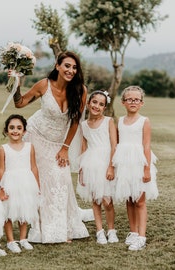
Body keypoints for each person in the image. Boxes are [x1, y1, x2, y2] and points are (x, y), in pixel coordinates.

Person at [10, 51, 90, 243]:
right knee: (40, 182)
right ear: (57, 66)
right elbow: (19, 104)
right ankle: (40, 226)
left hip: (57, 143)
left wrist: (65, 148)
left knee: (60, 181)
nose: (71, 70)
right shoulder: (44, 85)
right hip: (35, 135)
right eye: (67, 66)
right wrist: (16, 84)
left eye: (74, 67)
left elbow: (75, 122)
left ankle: (63, 227)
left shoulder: (81, 90)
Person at [113, 86, 159, 251]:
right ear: (123, 102)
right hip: (125, 164)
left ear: (141, 103)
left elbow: (146, 146)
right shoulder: (120, 121)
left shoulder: (144, 121)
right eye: (129, 99)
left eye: (136, 99)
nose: (133, 102)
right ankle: (132, 232)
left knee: (139, 200)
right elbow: (118, 143)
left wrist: (146, 169)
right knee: (129, 199)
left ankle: (141, 236)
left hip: (139, 164)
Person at [76, 90, 119, 244]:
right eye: (94, 102)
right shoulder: (83, 125)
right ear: (88, 104)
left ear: (104, 108)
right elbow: (83, 148)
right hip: (90, 164)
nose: (97, 106)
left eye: (101, 104)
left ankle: (111, 230)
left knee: (108, 200)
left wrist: (111, 167)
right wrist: (81, 170)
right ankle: (100, 231)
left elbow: (114, 145)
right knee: (95, 199)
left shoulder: (108, 121)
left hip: (106, 162)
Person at [0, 114, 40, 253]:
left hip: (26, 182)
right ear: (7, 131)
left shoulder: (29, 147)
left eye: (19, 128)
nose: (15, 131)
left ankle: (23, 238)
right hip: (9, 183)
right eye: (12, 128)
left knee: (24, 209)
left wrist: (37, 185)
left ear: (24, 131)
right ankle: (10, 241)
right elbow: (1, 169)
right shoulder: (3, 148)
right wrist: (2, 187)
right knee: (8, 211)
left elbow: (33, 166)